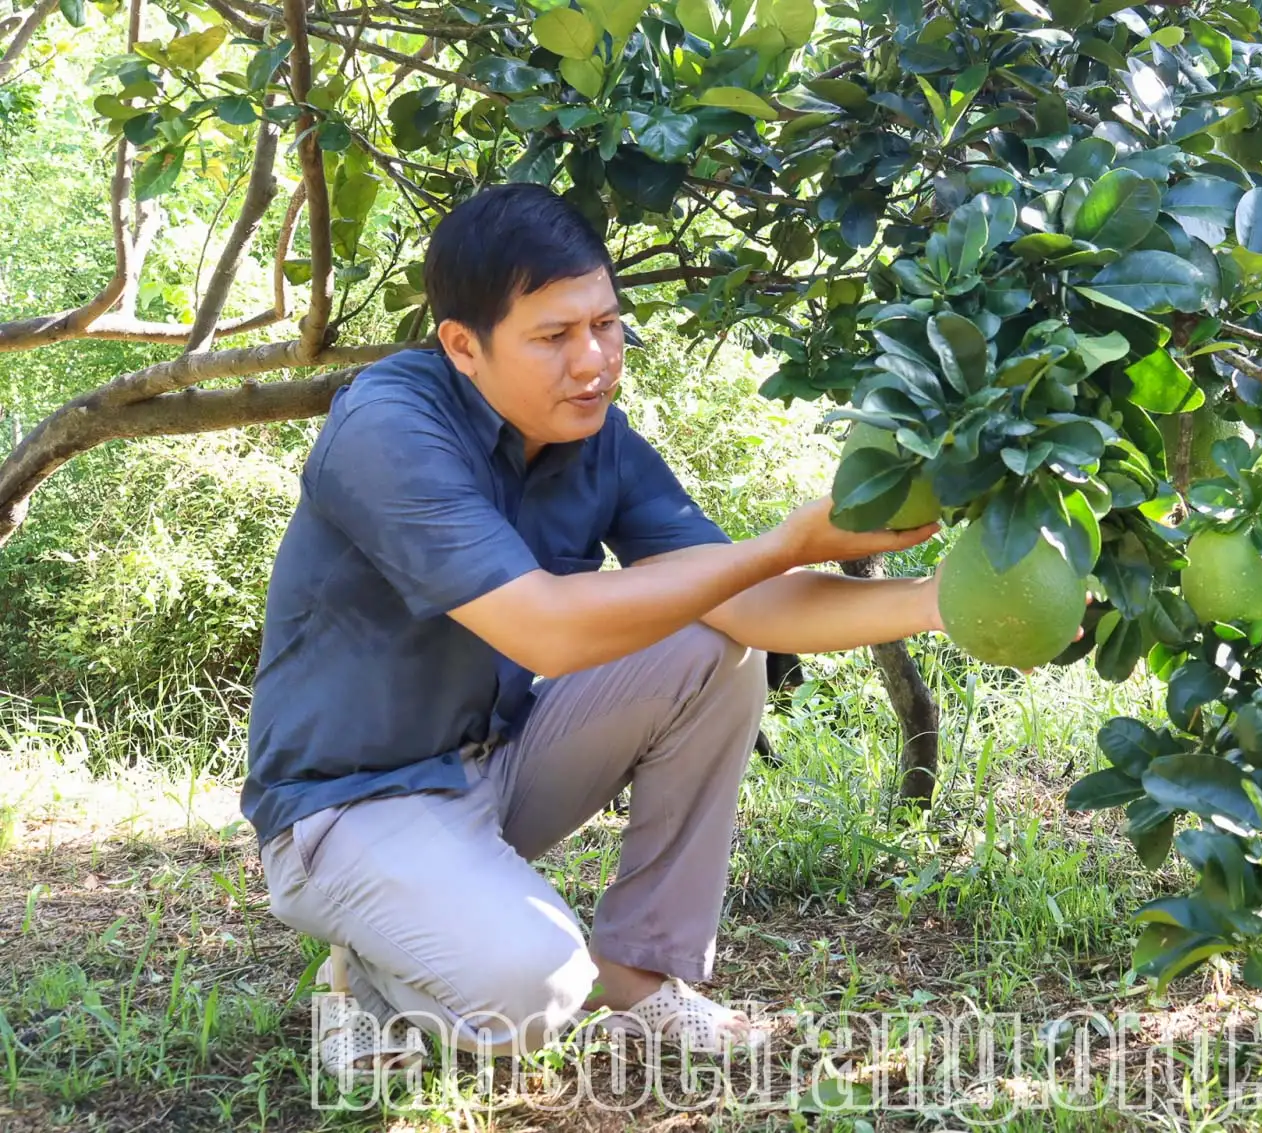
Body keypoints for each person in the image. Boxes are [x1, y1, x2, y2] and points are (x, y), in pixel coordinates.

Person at [242, 183, 943, 1072]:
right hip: (347, 807)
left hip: (491, 769)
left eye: (606, 324)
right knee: (531, 996)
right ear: (463, 345)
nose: (594, 362)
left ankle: (641, 973)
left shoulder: (593, 436)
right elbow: (545, 631)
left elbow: (743, 604)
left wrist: (945, 600)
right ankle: (364, 974)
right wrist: (783, 543)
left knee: (712, 644)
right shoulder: (389, 428)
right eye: (553, 336)